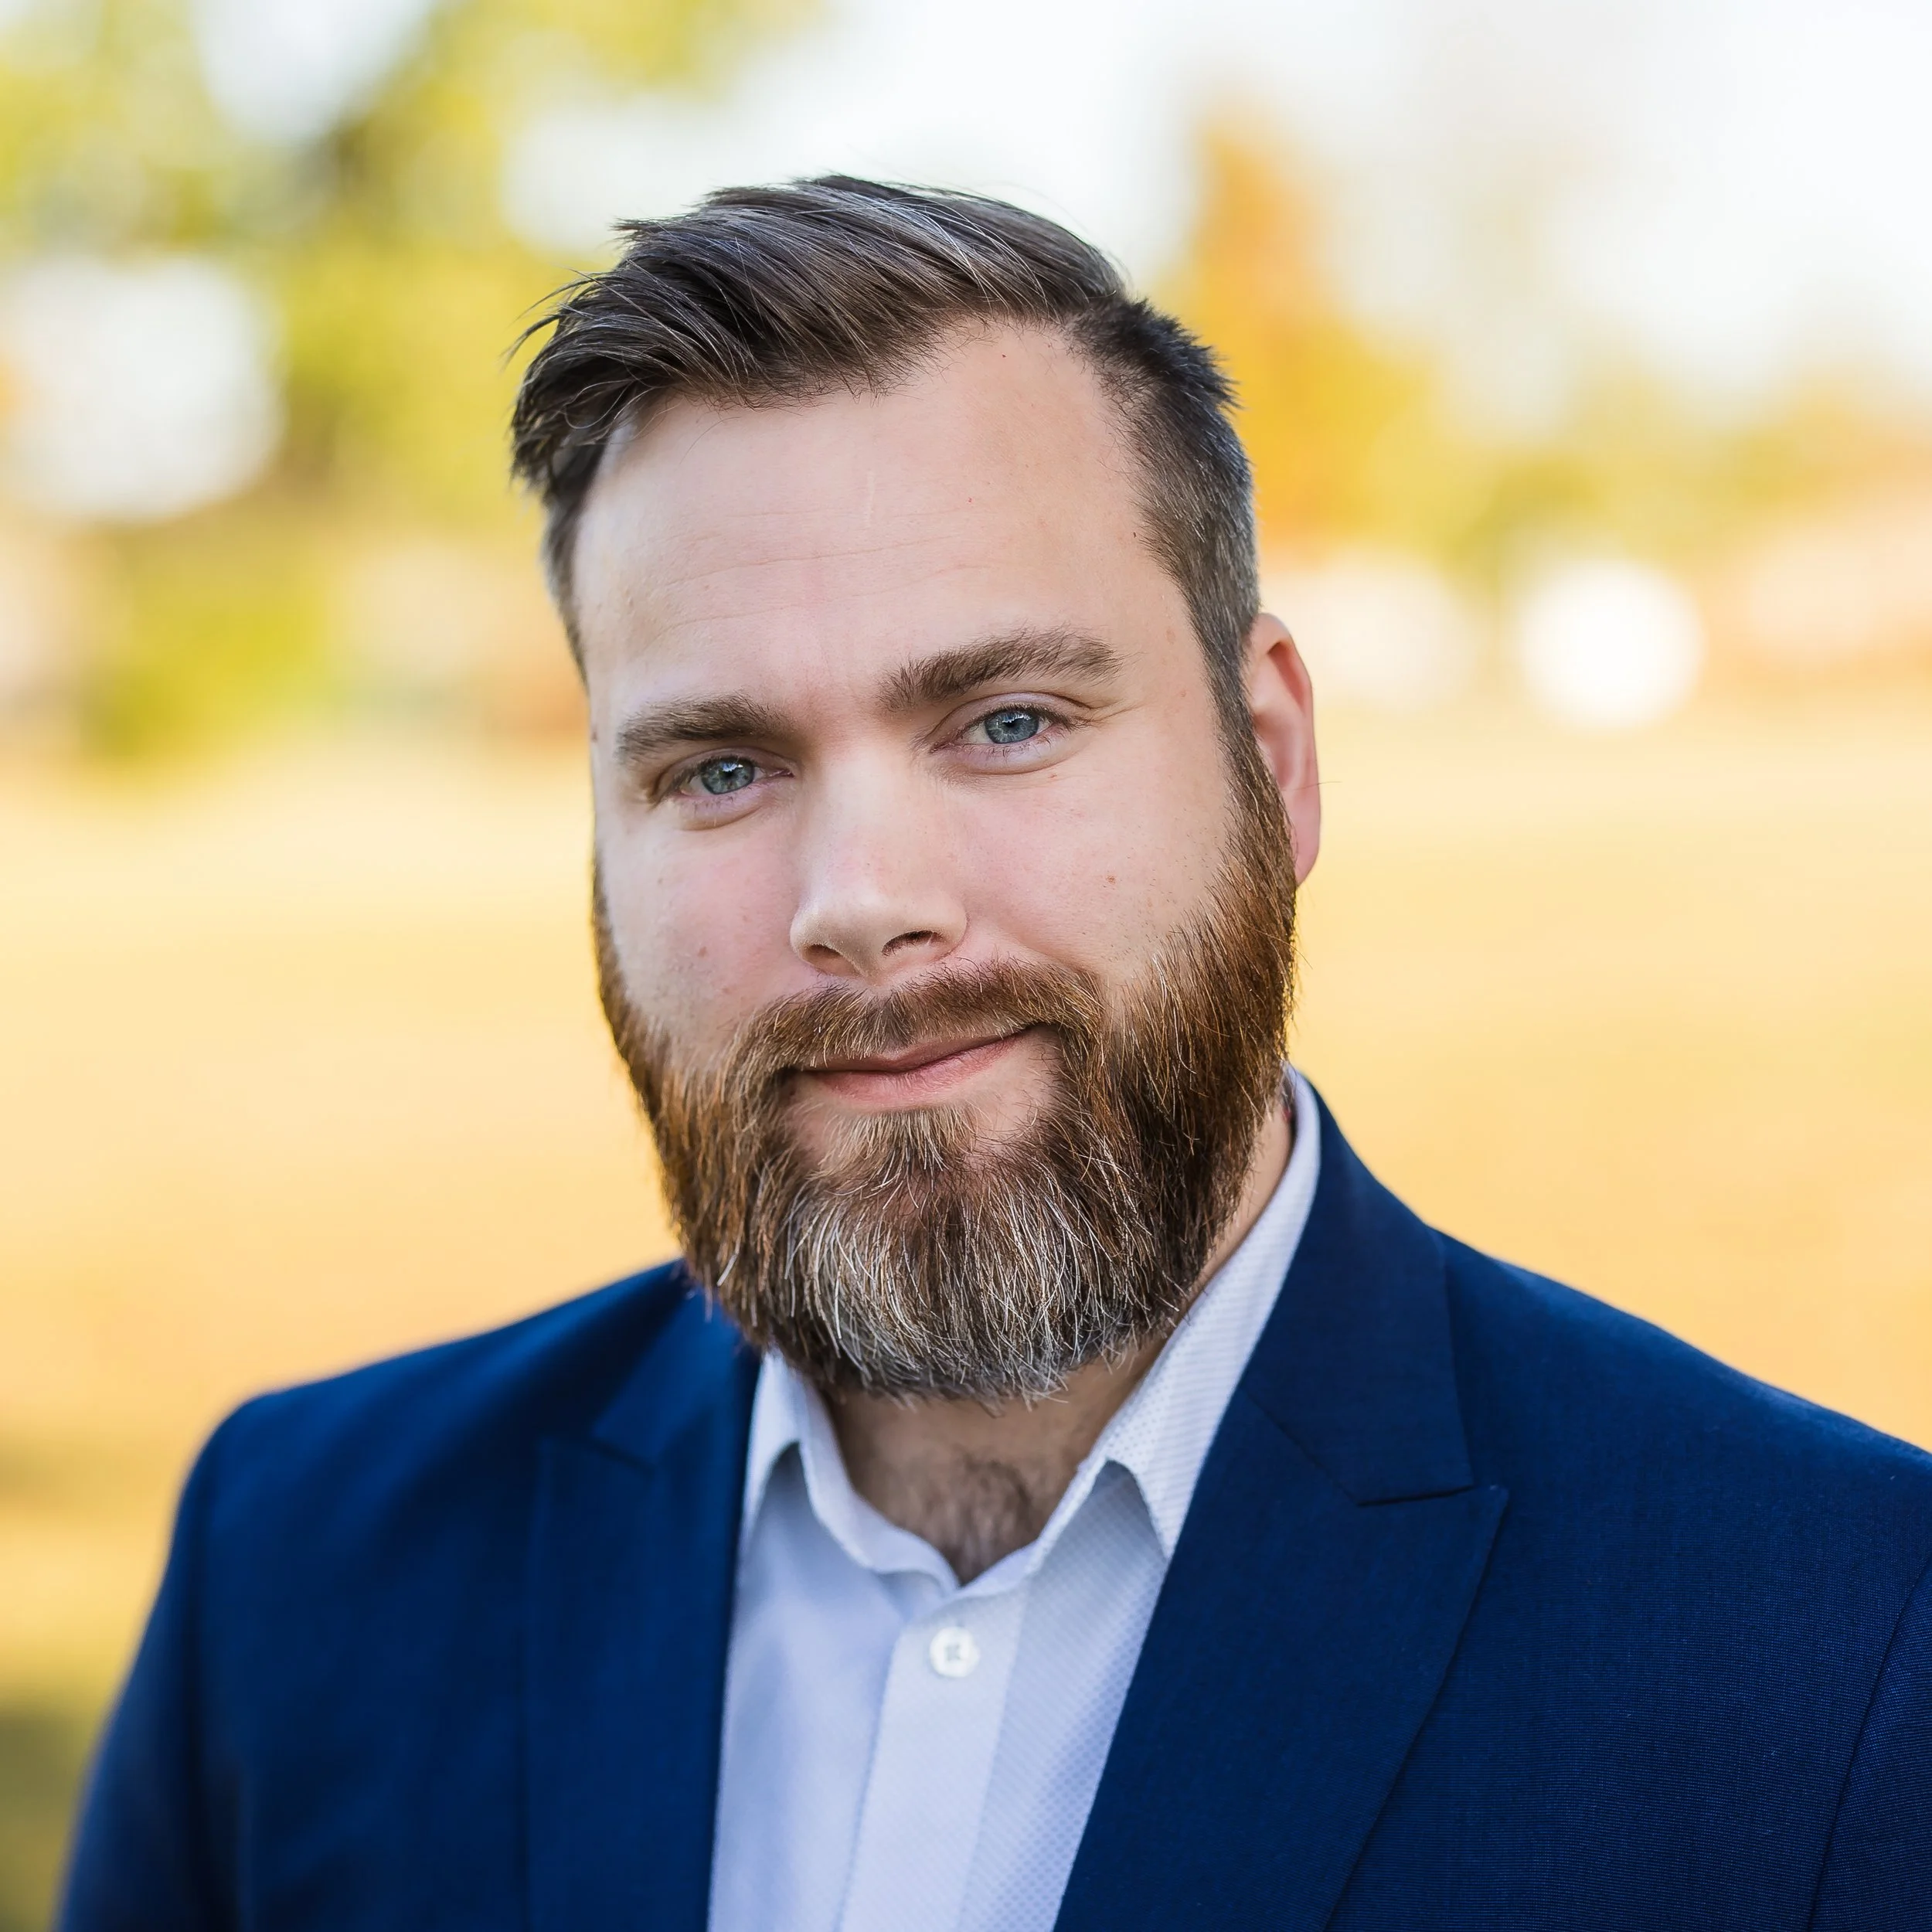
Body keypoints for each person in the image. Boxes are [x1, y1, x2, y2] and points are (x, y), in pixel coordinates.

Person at [60, 178, 1932, 1932]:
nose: (861, 900)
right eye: (719, 766)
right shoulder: (298, 1573)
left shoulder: (1833, 1639)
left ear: (1268, 754)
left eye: (1007, 719)